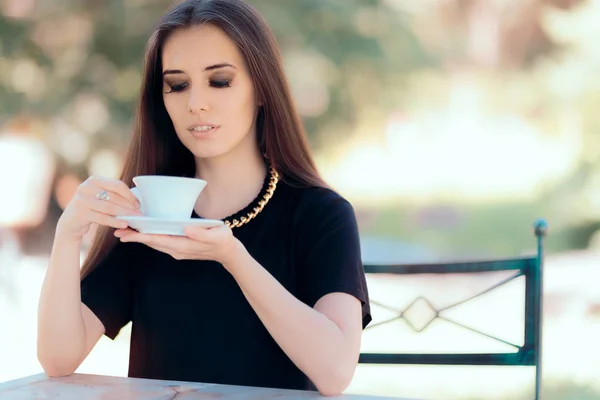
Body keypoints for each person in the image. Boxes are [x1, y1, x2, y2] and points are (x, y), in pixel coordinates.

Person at [37, 0, 371, 396]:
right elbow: (58, 359)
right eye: (178, 85)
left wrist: (233, 257)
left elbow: (335, 372)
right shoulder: (145, 218)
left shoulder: (321, 215)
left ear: (262, 89)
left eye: (220, 81)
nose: (196, 102)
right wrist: (68, 233)